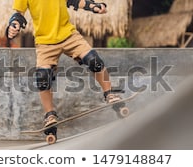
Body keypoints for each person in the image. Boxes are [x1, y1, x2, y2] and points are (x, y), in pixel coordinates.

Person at [6, 0, 122, 136]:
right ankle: (50, 115)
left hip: (69, 35)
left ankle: (109, 93)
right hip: (45, 42)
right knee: (43, 77)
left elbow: (75, 1)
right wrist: (14, 25)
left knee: (93, 60)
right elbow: (18, 14)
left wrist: (93, 6)